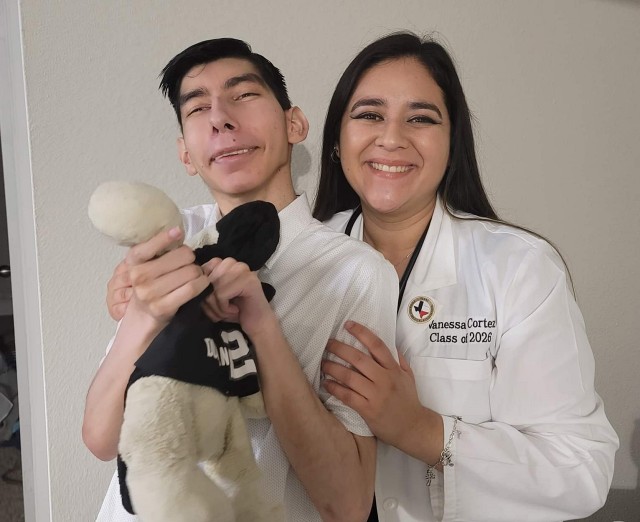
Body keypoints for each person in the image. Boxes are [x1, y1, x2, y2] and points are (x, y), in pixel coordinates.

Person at [83, 38, 399, 522]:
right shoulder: (165, 244)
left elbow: (348, 503)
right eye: (197, 108)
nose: (220, 119)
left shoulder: (355, 272)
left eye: (243, 95)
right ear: (185, 153)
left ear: (294, 124)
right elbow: (102, 440)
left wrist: (263, 328)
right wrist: (142, 319)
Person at [313, 32, 619, 521]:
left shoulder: (519, 268)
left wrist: (419, 430)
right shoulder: (298, 262)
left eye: (421, 118)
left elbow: (581, 469)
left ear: (452, 145)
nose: (391, 138)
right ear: (336, 140)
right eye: (369, 114)